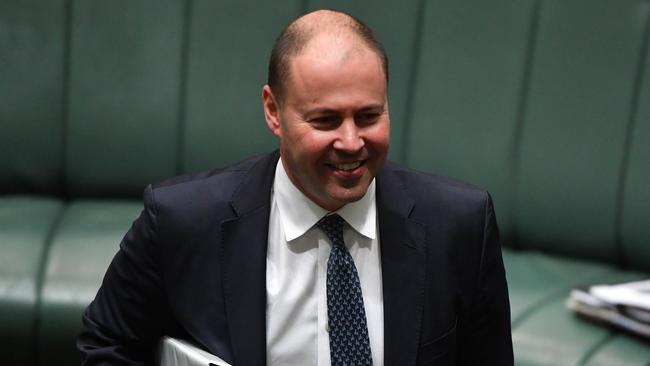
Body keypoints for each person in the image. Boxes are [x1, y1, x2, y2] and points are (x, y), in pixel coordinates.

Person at [78, 9, 513, 366]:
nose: (351, 142)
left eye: (368, 116)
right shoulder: (179, 222)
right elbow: (105, 347)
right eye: (325, 120)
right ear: (273, 111)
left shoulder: (461, 226)